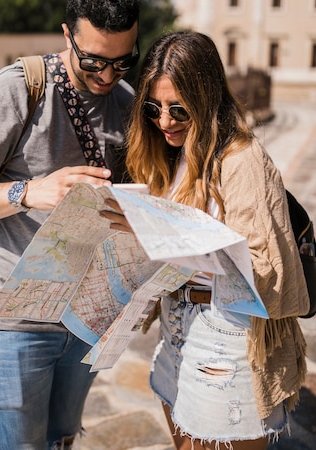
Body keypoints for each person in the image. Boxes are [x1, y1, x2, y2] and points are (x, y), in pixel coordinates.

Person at [0, 0, 140, 450]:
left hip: (88, 315)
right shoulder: (17, 89)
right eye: (94, 61)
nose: (107, 76)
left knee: (61, 437)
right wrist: (29, 192)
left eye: (122, 62)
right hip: (12, 323)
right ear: (66, 34)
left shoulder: (127, 101)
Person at [104, 30, 309, 450]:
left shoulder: (243, 160)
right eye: (153, 108)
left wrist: (172, 239)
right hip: (176, 327)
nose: (164, 122)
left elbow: (268, 267)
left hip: (227, 337)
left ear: (206, 99)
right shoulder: (170, 154)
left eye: (178, 109)